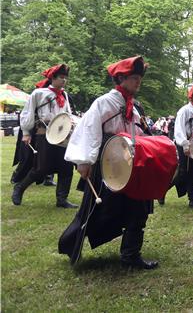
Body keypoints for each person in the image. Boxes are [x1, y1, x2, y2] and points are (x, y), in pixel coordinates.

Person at [58, 56, 159, 269]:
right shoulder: (104, 103)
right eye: (133, 77)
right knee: (100, 211)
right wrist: (84, 161)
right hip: (107, 165)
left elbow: (138, 133)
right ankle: (69, 243)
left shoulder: (135, 107)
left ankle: (130, 256)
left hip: (129, 166)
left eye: (139, 77)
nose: (138, 81)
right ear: (121, 78)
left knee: (138, 208)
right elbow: (89, 130)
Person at [11, 64, 77, 208]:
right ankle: (19, 188)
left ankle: (62, 199)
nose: (64, 81)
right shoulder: (39, 93)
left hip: (63, 133)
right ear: (52, 78)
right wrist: (26, 133)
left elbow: (67, 114)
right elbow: (28, 112)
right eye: (61, 77)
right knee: (41, 168)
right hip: (44, 132)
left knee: (66, 167)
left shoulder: (65, 94)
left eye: (66, 78)